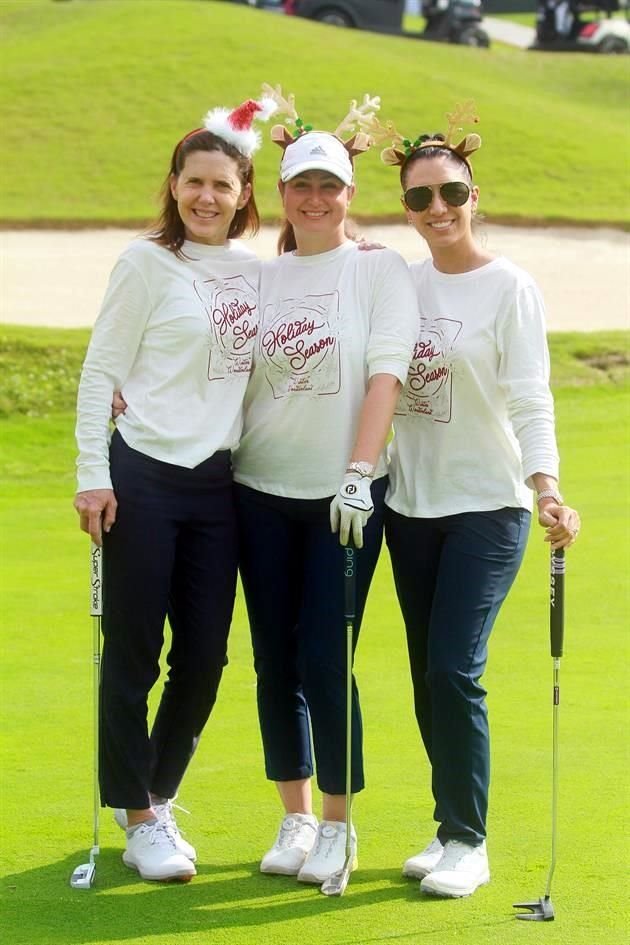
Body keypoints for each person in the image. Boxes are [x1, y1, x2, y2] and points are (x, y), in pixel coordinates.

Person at [379, 105, 581, 898]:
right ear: (405, 208)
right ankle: (447, 824)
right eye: (420, 199)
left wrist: (548, 486)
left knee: (456, 670)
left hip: (488, 507)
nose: (437, 210)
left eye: (450, 193)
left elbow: (531, 398)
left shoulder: (510, 287)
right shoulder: (398, 281)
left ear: (473, 192)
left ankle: (470, 839)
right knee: (430, 673)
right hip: (411, 506)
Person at [73, 95, 276, 882]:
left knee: (206, 655)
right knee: (134, 651)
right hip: (144, 476)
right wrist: (93, 473)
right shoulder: (144, 263)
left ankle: (158, 794)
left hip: (218, 485)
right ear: (173, 184)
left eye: (222, 186)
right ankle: (136, 815)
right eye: (194, 182)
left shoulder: (257, 275)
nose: (206, 197)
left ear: (243, 194)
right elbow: (102, 373)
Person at [231, 90, 419, 885]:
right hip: (258, 489)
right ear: (282, 194)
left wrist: (356, 474)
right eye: (301, 185)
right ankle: (297, 813)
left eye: (329, 186)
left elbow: (387, 375)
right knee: (274, 659)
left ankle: (340, 822)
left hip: (343, 499)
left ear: (349, 194)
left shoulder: (378, 272)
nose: (315, 198)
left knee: (323, 653)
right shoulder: (262, 278)